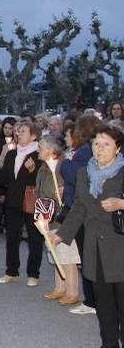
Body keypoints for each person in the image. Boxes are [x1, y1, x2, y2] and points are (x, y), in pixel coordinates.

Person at [52, 126, 124, 348]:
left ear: (118, 148)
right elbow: (79, 208)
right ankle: (109, 343)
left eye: (106, 144)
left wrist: (122, 203)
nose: (99, 149)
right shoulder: (85, 172)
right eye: (96, 144)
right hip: (95, 248)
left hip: (120, 247)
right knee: (104, 305)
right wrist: (61, 235)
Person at [62, 114, 103, 315]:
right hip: (82, 206)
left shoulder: (85, 151)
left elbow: (75, 176)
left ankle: (92, 301)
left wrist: (64, 163)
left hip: (83, 208)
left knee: (88, 257)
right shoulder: (87, 150)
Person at [35, 135, 81, 305]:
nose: (38, 150)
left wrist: (62, 194)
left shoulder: (61, 166)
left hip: (60, 215)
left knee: (67, 255)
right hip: (47, 214)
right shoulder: (44, 167)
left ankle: (72, 291)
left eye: (41, 147)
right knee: (55, 253)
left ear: (51, 150)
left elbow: (66, 189)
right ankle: (59, 287)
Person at [0, 122, 44, 286]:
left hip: (31, 199)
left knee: (34, 237)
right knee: (12, 236)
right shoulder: (12, 154)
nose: (18, 133)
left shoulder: (39, 154)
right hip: (13, 200)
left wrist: (33, 171)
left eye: (22, 131)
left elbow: (44, 179)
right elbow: (4, 178)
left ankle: (33, 274)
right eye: (17, 131)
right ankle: (11, 271)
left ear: (33, 136)